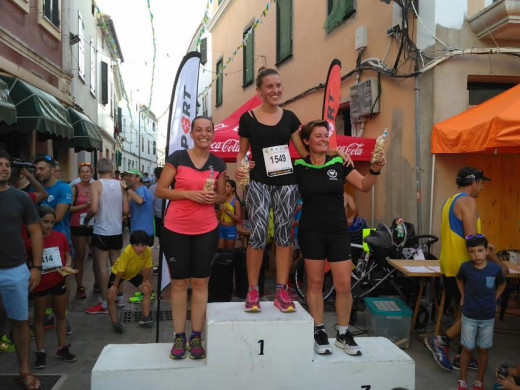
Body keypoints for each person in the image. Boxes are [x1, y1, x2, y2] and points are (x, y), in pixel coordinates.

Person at [235, 68, 351, 313]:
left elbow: (305, 152)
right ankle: (253, 290)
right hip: (258, 182)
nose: (276, 90)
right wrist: (243, 166)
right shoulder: (248, 119)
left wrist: (334, 152)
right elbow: (241, 154)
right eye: (270, 86)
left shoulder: (289, 117)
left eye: (278, 85)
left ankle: (280, 290)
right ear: (259, 91)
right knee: (257, 235)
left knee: (284, 236)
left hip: (287, 182)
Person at [293, 120, 385, 356]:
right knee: (314, 283)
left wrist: (374, 169)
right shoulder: (299, 166)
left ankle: (343, 333)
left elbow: (364, 185)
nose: (324, 139)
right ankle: (319, 330)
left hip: (337, 231)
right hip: (311, 231)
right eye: (318, 136)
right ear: (306, 141)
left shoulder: (339, 162)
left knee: (344, 285)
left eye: (326, 135)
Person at [156, 116, 226, 360]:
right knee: (178, 283)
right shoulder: (177, 158)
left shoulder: (218, 164)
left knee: (200, 283)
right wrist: (190, 195)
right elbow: (160, 190)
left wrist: (214, 199)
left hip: (206, 229)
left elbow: (221, 196)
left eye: (208, 130)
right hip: (175, 228)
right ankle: (179, 336)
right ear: (192, 133)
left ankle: (195, 336)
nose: (204, 134)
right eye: (199, 130)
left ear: (213, 133)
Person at [425, 167, 491, 371]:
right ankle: (441, 341)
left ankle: (463, 354)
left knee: (463, 309)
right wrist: (493, 257)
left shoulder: (449, 200)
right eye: (481, 183)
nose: (481, 187)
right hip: (466, 266)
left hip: (449, 264)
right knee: (475, 310)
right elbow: (472, 239)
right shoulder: (468, 201)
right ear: (474, 183)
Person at [0, 149, 43, 390]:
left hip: (15, 269)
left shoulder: (21, 198)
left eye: (7, 164)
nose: (4, 168)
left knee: (20, 321)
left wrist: (36, 267)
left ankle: (25, 370)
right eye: (0, 164)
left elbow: (36, 232)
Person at [27, 206, 78, 369]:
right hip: (40, 284)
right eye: (45, 222)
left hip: (58, 280)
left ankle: (62, 347)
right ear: (38, 221)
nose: (48, 225)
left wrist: (67, 266)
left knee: (61, 315)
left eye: (51, 222)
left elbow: (67, 254)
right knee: (39, 318)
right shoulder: (30, 241)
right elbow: (27, 261)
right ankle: (40, 351)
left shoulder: (60, 236)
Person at [455, 235, 505, 390]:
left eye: (480, 250)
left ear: (486, 251)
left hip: (487, 317)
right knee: (467, 348)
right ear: (468, 252)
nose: (476, 254)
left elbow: (503, 284)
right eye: (472, 251)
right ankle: (462, 380)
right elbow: (459, 279)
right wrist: (463, 295)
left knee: (483, 349)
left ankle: (479, 381)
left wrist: (494, 299)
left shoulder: (495, 268)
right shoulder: (465, 267)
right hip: (469, 315)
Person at [84, 158, 129, 314]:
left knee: (102, 267)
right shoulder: (121, 185)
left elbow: (94, 208)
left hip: (102, 230)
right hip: (116, 230)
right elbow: (125, 210)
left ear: (97, 171)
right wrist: (117, 219)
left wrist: (87, 218)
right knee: (117, 264)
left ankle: (104, 301)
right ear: (111, 169)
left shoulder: (95, 184)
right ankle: (119, 297)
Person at [107, 230, 153, 334]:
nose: (140, 248)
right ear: (132, 244)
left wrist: (145, 281)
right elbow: (121, 271)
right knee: (110, 296)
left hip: (133, 273)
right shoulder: (127, 251)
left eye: (143, 245)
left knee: (147, 290)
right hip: (118, 273)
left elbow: (148, 267)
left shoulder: (148, 251)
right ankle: (115, 323)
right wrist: (115, 286)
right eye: (137, 245)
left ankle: (145, 318)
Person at [34, 156, 72, 251]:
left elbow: (58, 217)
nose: (38, 172)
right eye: (36, 169)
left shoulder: (64, 188)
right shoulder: (33, 189)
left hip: (59, 238)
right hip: (39, 239)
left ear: (52, 170)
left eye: (42, 169)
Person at [69, 163, 94, 299]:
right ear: (79, 174)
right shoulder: (74, 189)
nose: (85, 174)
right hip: (77, 225)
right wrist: (85, 205)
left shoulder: (95, 187)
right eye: (83, 172)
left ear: (91, 174)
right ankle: (80, 287)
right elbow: (69, 208)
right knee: (80, 256)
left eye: (87, 172)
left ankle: (97, 283)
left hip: (93, 225)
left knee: (96, 255)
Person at [123, 169, 154, 246]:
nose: (127, 178)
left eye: (130, 176)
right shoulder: (134, 192)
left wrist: (126, 188)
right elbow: (127, 211)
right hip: (138, 232)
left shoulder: (141, 189)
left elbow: (140, 201)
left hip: (143, 233)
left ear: (138, 178)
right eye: (126, 176)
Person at [218, 179, 242, 250]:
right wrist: (219, 211)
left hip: (230, 229)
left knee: (229, 253)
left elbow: (238, 218)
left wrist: (227, 211)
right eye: (224, 186)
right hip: (221, 228)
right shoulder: (223, 199)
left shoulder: (236, 202)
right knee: (220, 252)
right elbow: (219, 215)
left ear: (233, 189)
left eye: (228, 186)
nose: (225, 188)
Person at [148, 166, 164, 240]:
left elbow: (150, 202)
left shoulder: (153, 188)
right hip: (168, 216)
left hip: (157, 217)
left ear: (156, 176)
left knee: (160, 237)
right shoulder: (169, 187)